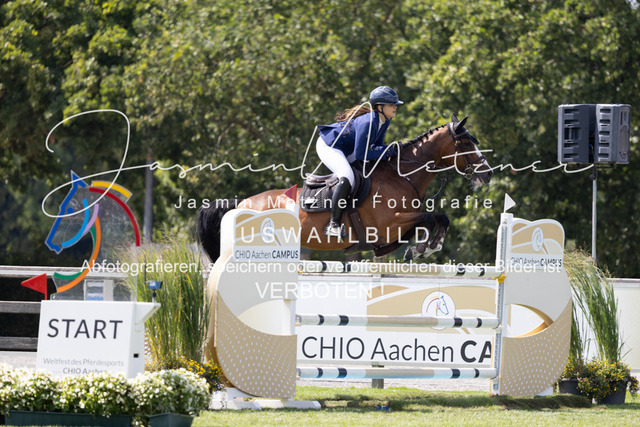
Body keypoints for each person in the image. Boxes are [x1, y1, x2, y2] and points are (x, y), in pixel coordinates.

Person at [315, 86, 402, 239]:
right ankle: (333, 225)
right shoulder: (367, 122)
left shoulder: (384, 121)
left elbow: (375, 146)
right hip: (329, 145)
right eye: (391, 104)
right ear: (379, 107)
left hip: (347, 149)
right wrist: (384, 152)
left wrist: (390, 148)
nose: (395, 107)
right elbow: (361, 154)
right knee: (347, 176)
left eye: (395, 104)